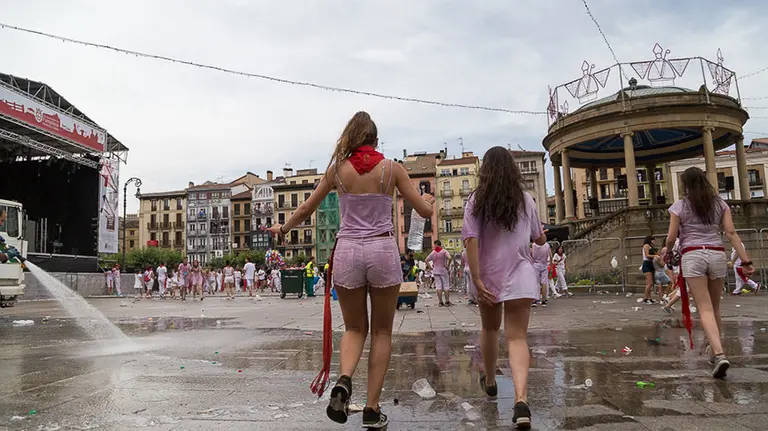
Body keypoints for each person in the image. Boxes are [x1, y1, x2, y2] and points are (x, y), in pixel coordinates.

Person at [268, 111, 434, 429]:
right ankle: (371, 409)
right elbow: (422, 209)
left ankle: (344, 381)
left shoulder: (337, 171)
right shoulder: (392, 169)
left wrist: (284, 227)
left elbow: (306, 208)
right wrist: (428, 200)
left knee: (355, 328)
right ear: (374, 139)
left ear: (351, 138)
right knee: (382, 331)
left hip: (347, 253)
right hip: (383, 251)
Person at [463, 146, 546, 430]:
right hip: (521, 275)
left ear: (484, 170)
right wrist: (541, 234)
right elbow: (539, 238)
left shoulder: (477, 200)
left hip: (489, 276)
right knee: (517, 338)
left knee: (489, 329)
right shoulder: (526, 200)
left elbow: (470, 240)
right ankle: (521, 400)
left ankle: (489, 381)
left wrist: (476, 278)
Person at [664, 166, 754, 379]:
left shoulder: (679, 206)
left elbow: (671, 236)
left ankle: (720, 353)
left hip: (693, 256)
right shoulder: (720, 204)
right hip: (716, 254)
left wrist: (667, 251)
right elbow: (731, 233)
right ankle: (715, 352)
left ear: (685, 185)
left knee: (703, 308)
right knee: (715, 308)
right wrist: (746, 260)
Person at [426, 240, 452, 306]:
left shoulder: (433, 252)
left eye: (434, 245)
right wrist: (447, 266)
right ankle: (447, 301)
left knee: (438, 286)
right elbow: (450, 258)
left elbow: (426, 260)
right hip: (443, 270)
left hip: (435, 271)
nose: (433, 246)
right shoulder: (444, 251)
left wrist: (430, 267)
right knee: (446, 286)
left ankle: (440, 302)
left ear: (437, 244)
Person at [531, 240, 551, 307]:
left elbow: (532, 255)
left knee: (535, 283)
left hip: (536, 264)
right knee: (544, 282)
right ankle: (544, 300)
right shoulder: (547, 245)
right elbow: (549, 255)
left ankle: (534, 300)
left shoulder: (534, 245)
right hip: (544, 264)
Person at [641, 236, 659, 305]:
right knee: (649, 283)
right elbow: (647, 255)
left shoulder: (651, 247)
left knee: (650, 283)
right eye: (653, 240)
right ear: (650, 240)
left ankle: (650, 298)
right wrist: (655, 256)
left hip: (651, 264)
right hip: (647, 264)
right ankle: (645, 299)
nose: (654, 241)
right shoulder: (646, 246)